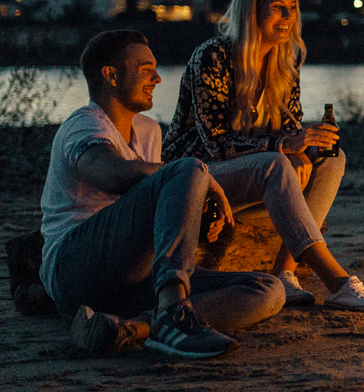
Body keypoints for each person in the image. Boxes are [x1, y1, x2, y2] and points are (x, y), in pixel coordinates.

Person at [41, 29, 284, 359]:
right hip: (75, 272)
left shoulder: (148, 130)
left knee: (269, 289)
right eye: (145, 68)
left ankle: (136, 327)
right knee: (188, 167)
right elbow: (110, 174)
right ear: (110, 75)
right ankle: (173, 312)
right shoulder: (84, 124)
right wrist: (197, 174)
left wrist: (195, 212)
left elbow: (155, 208)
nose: (157, 77)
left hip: (134, 282)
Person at [165, 0, 364, 312]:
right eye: (277, 7)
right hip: (197, 178)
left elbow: (289, 127)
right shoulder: (212, 57)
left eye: (292, 8)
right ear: (251, 10)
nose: (288, 17)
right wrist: (284, 147)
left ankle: (285, 271)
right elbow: (218, 145)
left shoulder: (286, 59)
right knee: (274, 162)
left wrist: (298, 146)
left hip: (254, 175)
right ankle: (338, 282)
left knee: (332, 156)